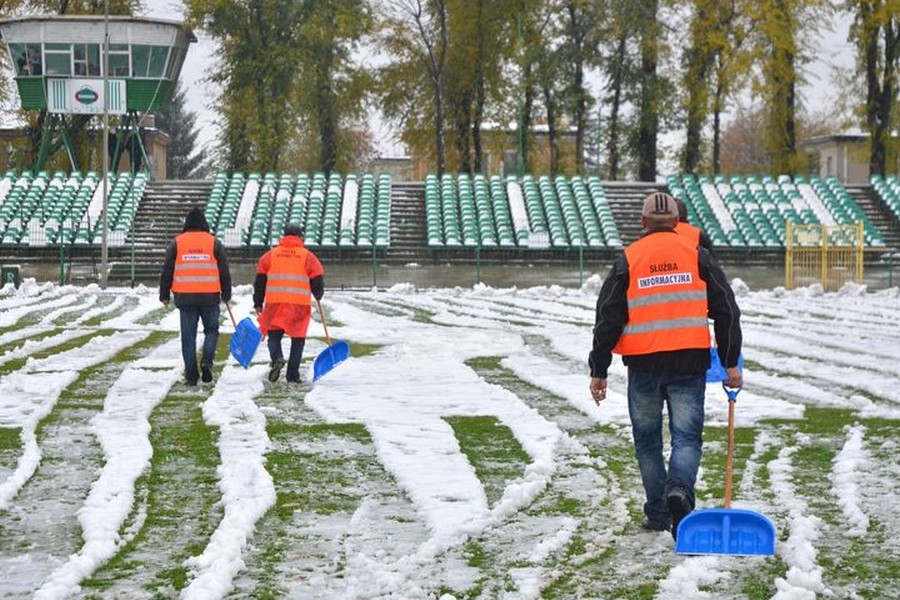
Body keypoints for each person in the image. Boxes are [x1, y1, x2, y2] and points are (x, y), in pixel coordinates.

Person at [588, 191, 742, 541]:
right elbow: (726, 310)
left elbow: (607, 319)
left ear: (642, 223)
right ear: (677, 223)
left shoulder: (628, 259)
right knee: (686, 437)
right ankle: (680, 492)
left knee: (647, 442)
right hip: (689, 361)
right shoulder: (698, 255)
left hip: (643, 365)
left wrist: (599, 369)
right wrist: (731, 362)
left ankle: (657, 512)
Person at [159, 207, 232, 385]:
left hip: (185, 296)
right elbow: (224, 270)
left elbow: (167, 270)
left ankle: (191, 376)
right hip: (210, 296)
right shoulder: (214, 242)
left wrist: (164, 294)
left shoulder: (177, 243)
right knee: (212, 331)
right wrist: (227, 293)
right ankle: (207, 361)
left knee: (188, 337)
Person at [253, 223, 325, 383]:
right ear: (300, 237)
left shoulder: (270, 255)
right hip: (298, 304)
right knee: (298, 338)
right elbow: (317, 276)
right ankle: (293, 375)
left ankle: (277, 358)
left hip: (274, 303)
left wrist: (258, 301)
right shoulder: (308, 256)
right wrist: (318, 294)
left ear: (284, 236)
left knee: (274, 336)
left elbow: (260, 280)